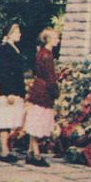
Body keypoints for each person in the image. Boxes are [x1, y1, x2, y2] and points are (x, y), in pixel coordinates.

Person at [24, 28, 61, 167]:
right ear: (48, 39)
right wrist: (55, 92)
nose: (58, 40)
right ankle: (37, 154)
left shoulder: (43, 52)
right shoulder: (46, 55)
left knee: (36, 120)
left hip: (40, 88)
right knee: (37, 122)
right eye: (56, 37)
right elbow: (50, 77)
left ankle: (30, 152)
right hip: (44, 91)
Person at [0, 23, 26, 163]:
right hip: (8, 92)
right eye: (17, 32)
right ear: (9, 34)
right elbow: (4, 73)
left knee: (9, 121)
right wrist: (9, 92)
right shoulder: (5, 50)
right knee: (5, 121)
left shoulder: (13, 48)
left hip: (14, 90)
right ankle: (4, 152)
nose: (20, 34)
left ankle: (3, 149)